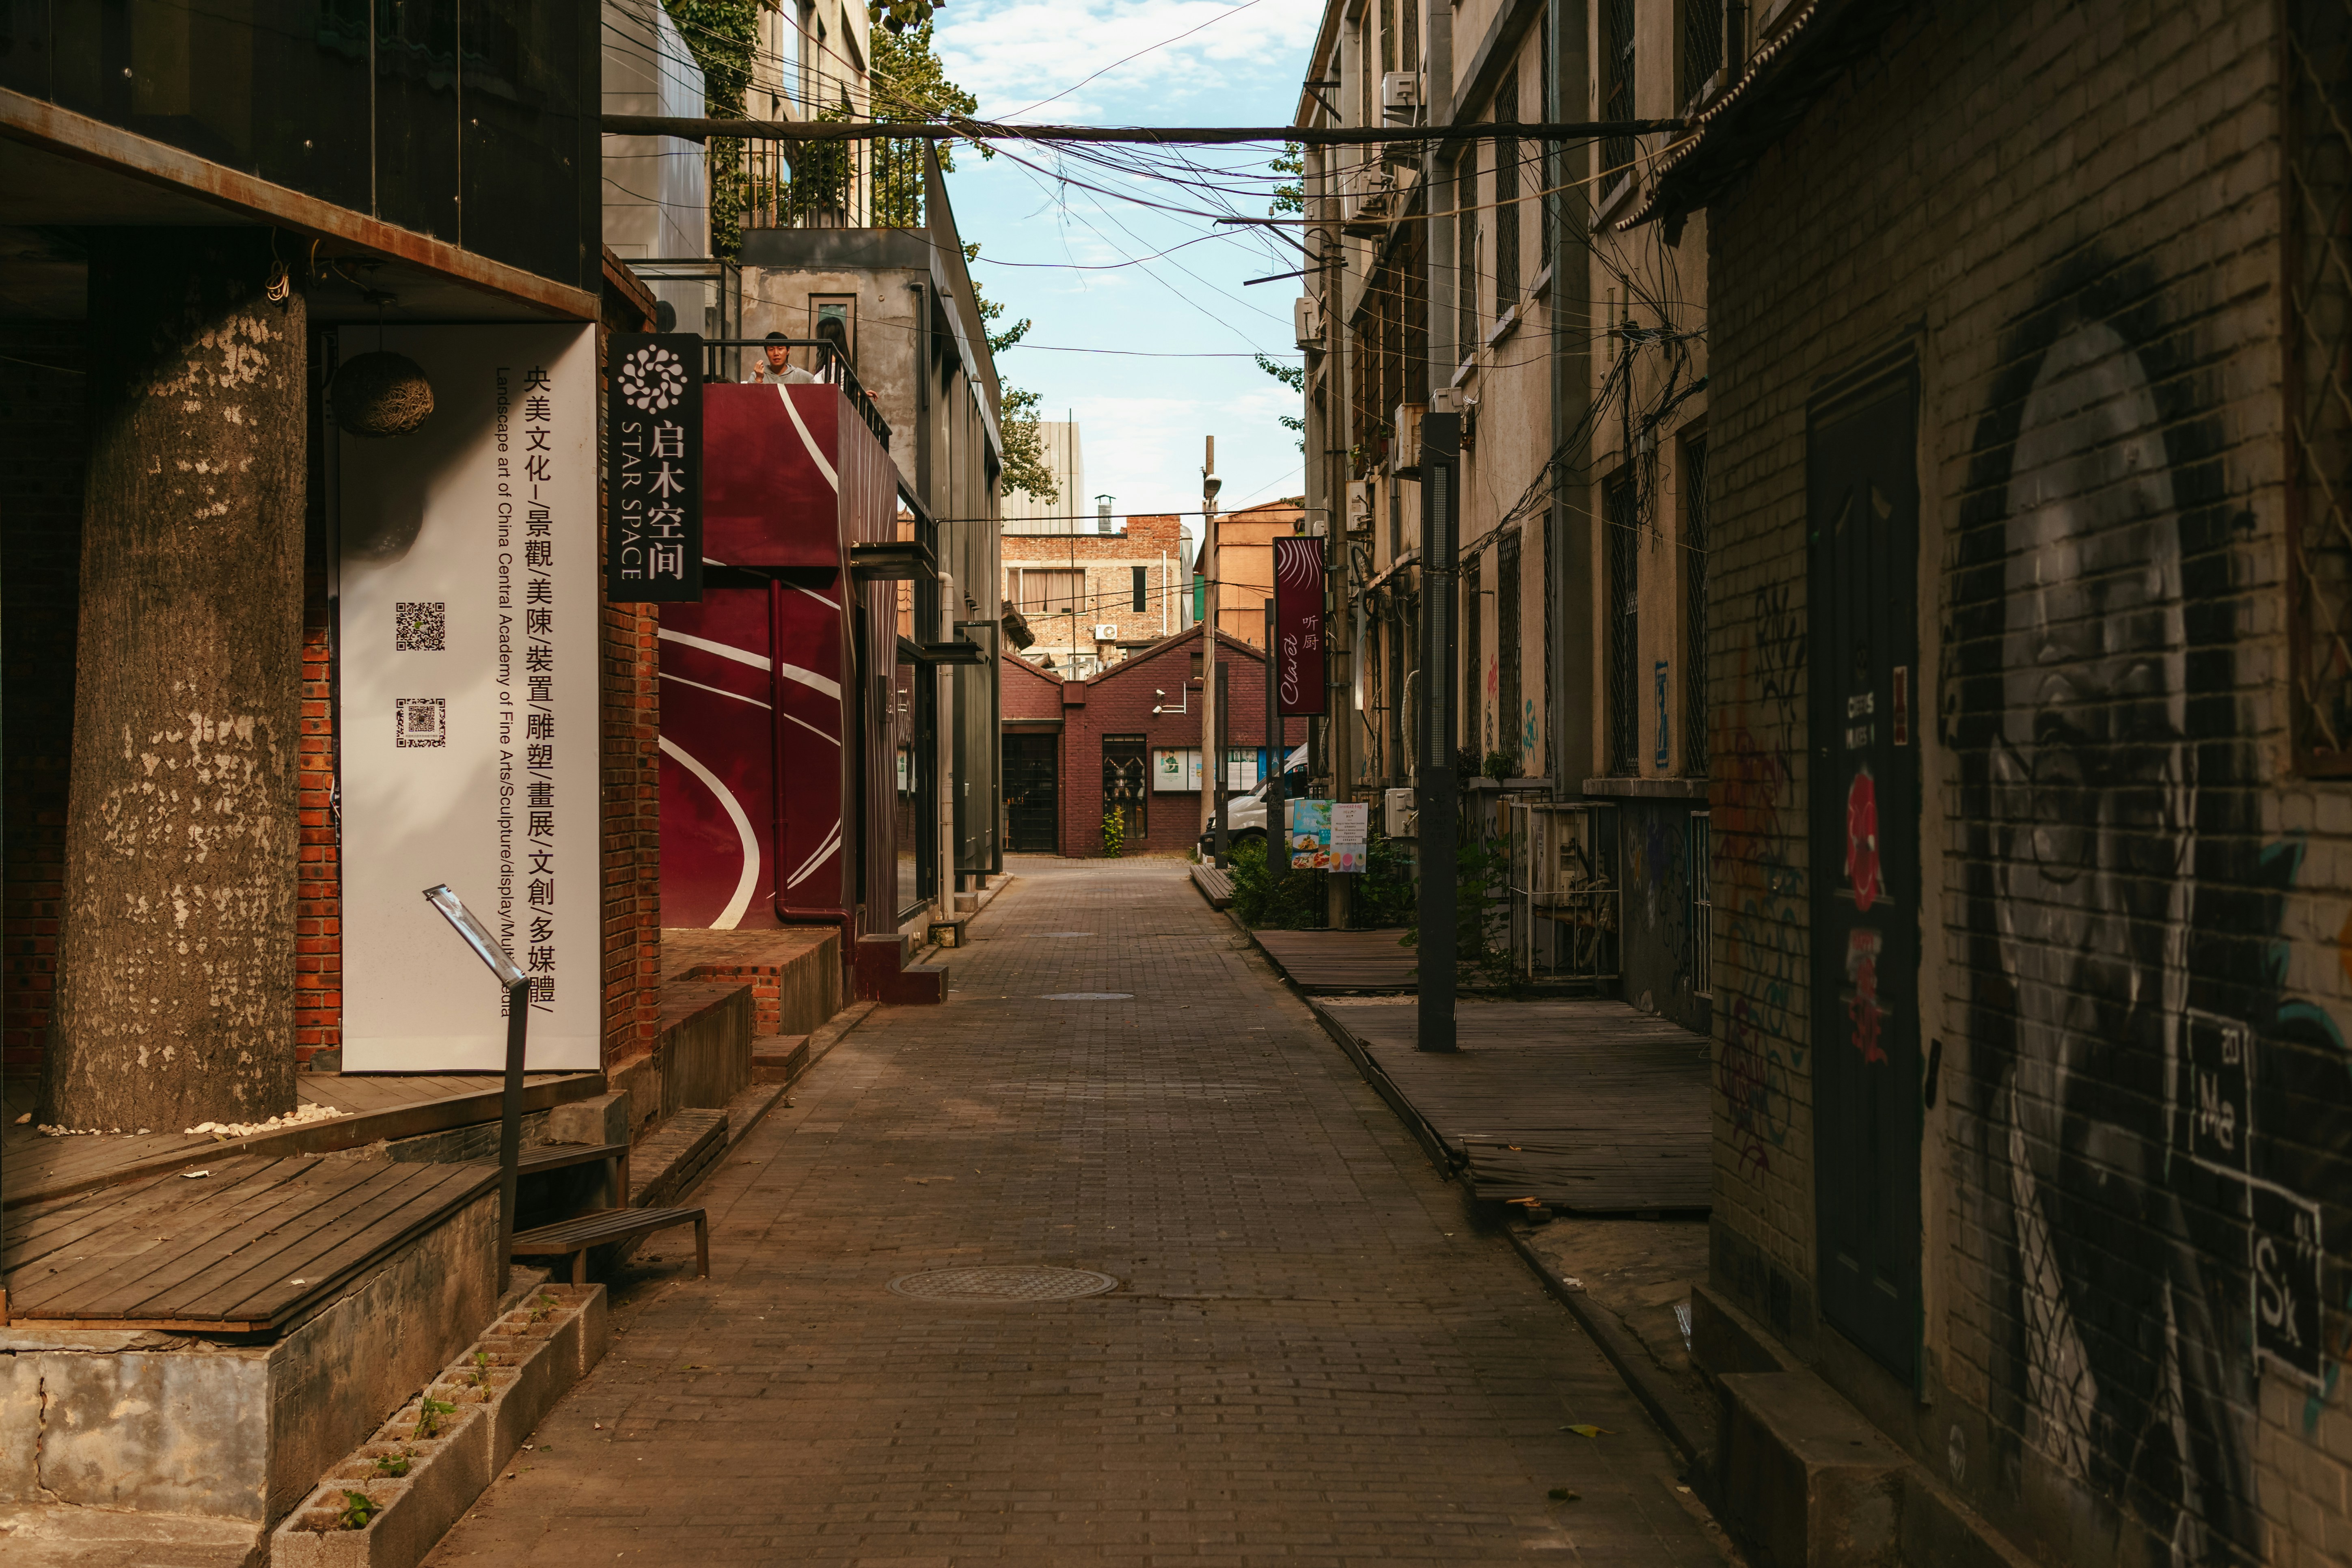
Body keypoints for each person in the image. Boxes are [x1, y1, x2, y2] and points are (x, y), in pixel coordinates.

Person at [1978, 315, 2251, 1564]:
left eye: (2141, 801)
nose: (2110, 948)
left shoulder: (2222, 1372)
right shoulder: (1972, 1288)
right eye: (2058, 804)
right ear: (1988, 845)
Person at [746, 330, 814, 385]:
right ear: (766, 352)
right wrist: (759, 379)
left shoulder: (804, 377)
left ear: (788, 351)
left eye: (780, 349)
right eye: (771, 350)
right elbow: (749, 400)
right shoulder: (757, 376)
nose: (776, 354)